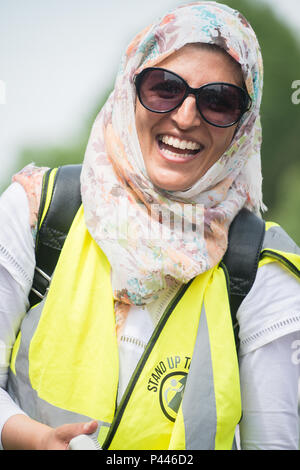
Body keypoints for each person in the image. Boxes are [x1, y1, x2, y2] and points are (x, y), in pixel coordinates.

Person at [0, 1, 299, 451]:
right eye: (164, 89)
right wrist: (35, 440)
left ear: (243, 125)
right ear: (128, 89)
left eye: (220, 101)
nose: (185, 117)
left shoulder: (261, 264)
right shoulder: (37, 210)